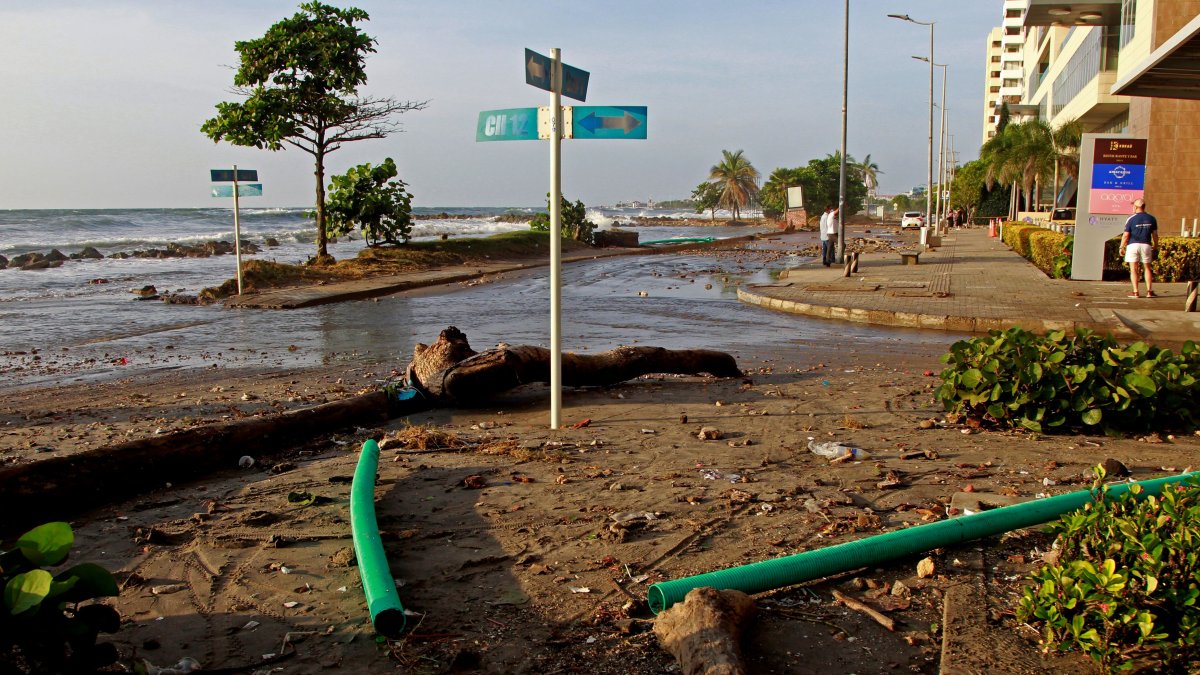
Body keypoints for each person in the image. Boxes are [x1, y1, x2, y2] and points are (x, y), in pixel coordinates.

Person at [1119, 198, 1159, 298]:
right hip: (1146, 245)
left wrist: (1121, 247)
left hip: (1133, 245)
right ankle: (1149, 292)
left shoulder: (1131, 219)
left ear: (1136, 207)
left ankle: (1135, 292)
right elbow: (1155, 234)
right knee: (1147, 268)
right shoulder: (1152, 218)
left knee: (1133, 269)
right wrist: (1156, 245)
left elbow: (1126, 235)